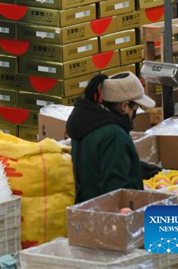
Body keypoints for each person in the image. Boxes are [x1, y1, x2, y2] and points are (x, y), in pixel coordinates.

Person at [66, 72, 156, 203]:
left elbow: (96, 165)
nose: (135, 113)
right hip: (112, 215)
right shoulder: (114, 135)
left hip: (88, 207)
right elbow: (116, 189)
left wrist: (139, 168)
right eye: (136, 107)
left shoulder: (87, 124)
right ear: (125, 106)